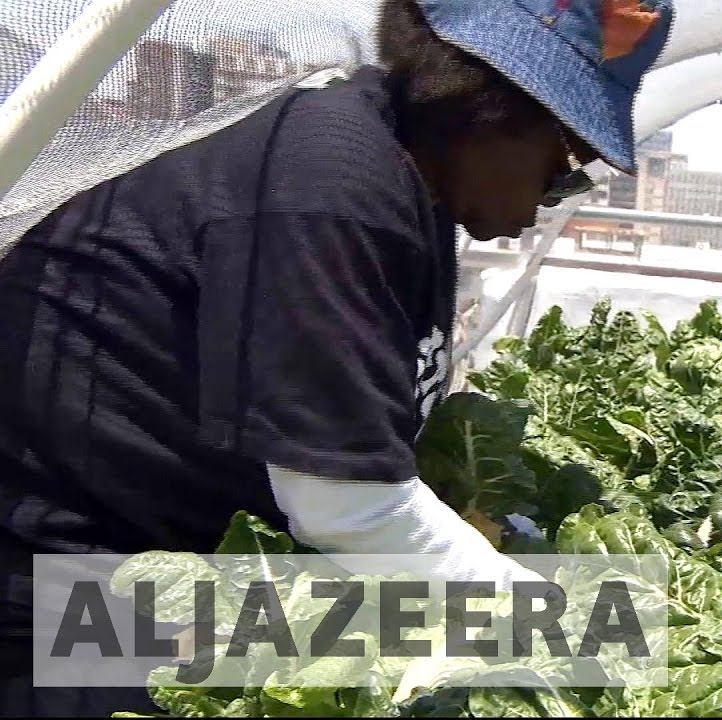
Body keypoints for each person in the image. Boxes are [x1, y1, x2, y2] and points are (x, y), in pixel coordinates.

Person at [0, 0, 674, 715]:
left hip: (187, 575)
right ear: (489, 113)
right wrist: (552, 623)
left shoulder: (407, 184)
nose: (551, 199)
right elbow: (344, 505)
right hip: (69, 607)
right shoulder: (333, 188)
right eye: (566, 167)